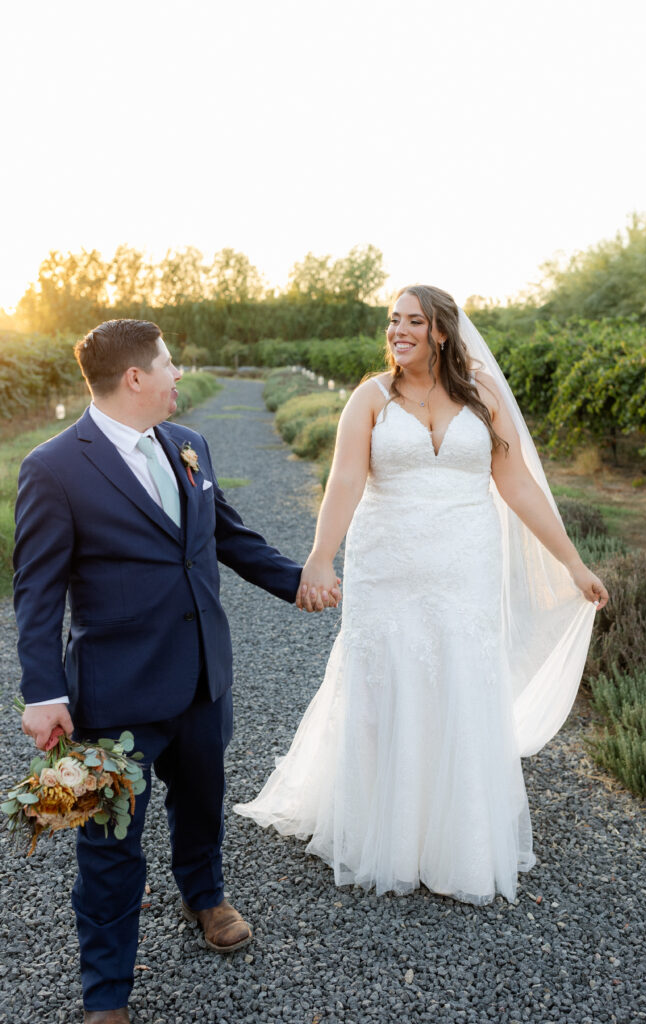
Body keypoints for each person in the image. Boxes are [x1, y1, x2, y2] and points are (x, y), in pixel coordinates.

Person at [235, 285, 609, 905]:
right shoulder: (370, 398)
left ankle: (456, 836)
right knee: (388, 680)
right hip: (389, 566)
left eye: (413, 321)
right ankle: (387, 830)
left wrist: (571, 561)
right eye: (392, 321)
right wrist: (321, 558)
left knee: (460, 678)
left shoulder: (483, 395)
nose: (398, 331)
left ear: (441, 332)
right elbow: (346, 480)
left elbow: (514, 483)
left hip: (464, 565)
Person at [13, 319, 338, 1024]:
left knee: (200, 802)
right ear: (135, 377)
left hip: (200, 680)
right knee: (106, 847)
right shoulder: (54, 466)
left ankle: (205, 895)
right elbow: (35, 592)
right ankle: (106, 994)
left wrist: (299, 583)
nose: (177, 375)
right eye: (168, 364)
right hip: (112, 695)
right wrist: (43, 692)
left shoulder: (190, 446)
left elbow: (226, 536)